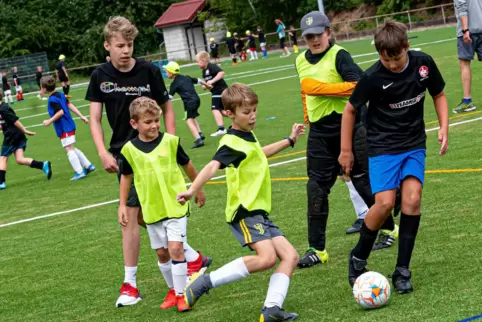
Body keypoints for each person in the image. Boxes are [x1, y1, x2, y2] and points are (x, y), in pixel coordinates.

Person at [86, 16, 211, 308]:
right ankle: (192, 259)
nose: (126, 50)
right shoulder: (99, 76)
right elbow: (93, 118)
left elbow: (167, 105)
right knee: (138, 217)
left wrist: (169, 140)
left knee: (145, 215)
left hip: (156, 156)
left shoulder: (148, 70)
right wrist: (103, 152)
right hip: (126, 155)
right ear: (107, 45)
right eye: (119, 45)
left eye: (129, 44)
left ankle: (133, 283)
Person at [177, 83, 304, 322]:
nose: (253, 115)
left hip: (259, 211)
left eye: (254, 110)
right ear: (229, 114)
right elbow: (213, 165)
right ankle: (203, 283)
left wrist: (289, 140)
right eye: (246, 112)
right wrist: (193, 188)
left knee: (290, 256)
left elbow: (258, 153)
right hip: (245, 211)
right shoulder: (231, 143)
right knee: (266, 259)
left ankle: (272, 309)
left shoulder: (246, 136)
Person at [339, 20, 448, 293]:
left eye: (397, 58)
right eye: (385, 59)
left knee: (412, 199)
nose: (392, 64)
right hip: (383, 145)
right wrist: (346, 151)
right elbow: (350, 111)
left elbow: (439, 94)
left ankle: (402, 270)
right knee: (385, 204)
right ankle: (359, 256)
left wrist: (444, 127)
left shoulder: (423, 64)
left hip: (413, 143)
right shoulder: (373, 76)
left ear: (407, 46)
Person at [295, 11, 398, 269]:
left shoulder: (339, 55)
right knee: (316, 189)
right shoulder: (300, 60)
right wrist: (308, 115)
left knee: (363, 181)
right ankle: (317, 249)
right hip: (319, 133)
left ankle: (389, 230)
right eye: (309, 37)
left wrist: (323, 89)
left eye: (318, 34)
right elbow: (305, 91)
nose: (314, 40)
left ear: (328, 32)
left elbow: (360, 84)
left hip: (350, 127)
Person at [119, 97, 206, 312]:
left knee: (175, 248)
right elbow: (126, 177)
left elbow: (187, 165)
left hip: (176, 205)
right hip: (152, 208)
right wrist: (122, 205)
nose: (154, 125)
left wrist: (197, 188)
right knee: (162, 253)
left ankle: (181, 295)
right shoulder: (129, 150)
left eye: (156, 120)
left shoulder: (170, 141)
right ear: (134, 124)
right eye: (148, 122)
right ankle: (172, 289)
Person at [41, 76, 95, 181]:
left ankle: (79, 172)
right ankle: (88, 165)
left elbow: (60, 112)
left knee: (68, 149)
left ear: (44, 88)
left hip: (64, 127)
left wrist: (49, 121)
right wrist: (81, 116)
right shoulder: (61, 94)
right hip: (69, 125)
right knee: (72, 148)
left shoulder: (52, 99)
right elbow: (70, 105)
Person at [0, 91, 52, 190]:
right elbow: (5, 123)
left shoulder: (3, 108)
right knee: (19, 159)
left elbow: (15, 120)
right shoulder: (2, 107)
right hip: (16, 135)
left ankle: (1, 182)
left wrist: (25, 130)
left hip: (12, 136)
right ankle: (43, 165)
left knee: (2, 158)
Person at [164, 61, 211, 148]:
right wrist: (207, 85)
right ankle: (200, 133)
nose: (166, 73)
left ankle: (198, 140)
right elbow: (198, 80)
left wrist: (162, 110)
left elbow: (169, 98)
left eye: (166, 71)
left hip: (189, 102)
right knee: (192, 117)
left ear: (171, 72)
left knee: (188, 120)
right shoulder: (186, 77)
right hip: (196, 100)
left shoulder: (174, 84)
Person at [453, 0, 482, 113]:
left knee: (464, 64)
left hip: (468, 31)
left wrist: (465, 30)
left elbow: (462, 8)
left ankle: (467, 101)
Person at [195, 51, 228, 137]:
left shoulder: (211, 66)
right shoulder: (204, 71)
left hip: (220, 90)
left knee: (214, 109)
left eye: (198, 61)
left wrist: (212, 81)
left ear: (204, 60)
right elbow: (209, 85)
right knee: (222, 112)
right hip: (215, 91)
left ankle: (221, 129)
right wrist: (206, 86)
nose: (197, 63)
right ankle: (238, 119)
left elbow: (221, 73)